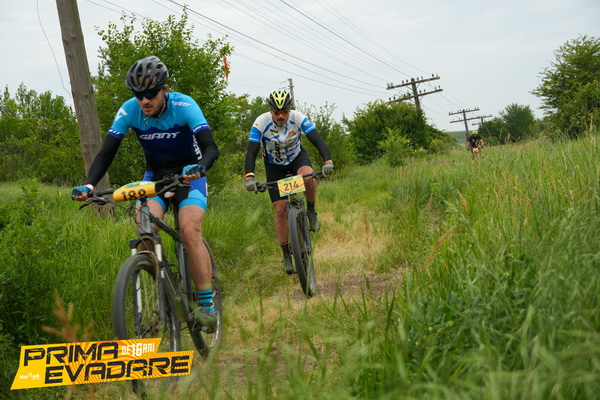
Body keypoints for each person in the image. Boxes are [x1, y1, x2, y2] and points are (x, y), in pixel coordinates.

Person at [72, 56, 219, 329]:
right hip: (156, 177)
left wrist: (200, 167)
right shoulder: (130, 110)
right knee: (144, 227)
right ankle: (161, 289)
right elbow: (106, 152)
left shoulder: (185, 105)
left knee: (189, 230)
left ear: (165, 89)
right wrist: (90, 185)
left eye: (151, 94)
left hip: (189, 175)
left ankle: (207, 304)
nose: (144, 101)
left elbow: (210, 147)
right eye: (138, 95)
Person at [244, 89, 334, 275]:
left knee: (308, 177)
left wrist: (328, 161)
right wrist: (249, 177)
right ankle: (286, 253)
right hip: (274, 166)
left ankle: (311, 211)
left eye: (284, 111)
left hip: (297, 159)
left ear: (290, 110)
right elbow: (251, 151)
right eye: (276, 112)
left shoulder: (298, 118)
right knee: (280, 210)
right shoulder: (260, 122)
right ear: (270, 111)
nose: (281, 116)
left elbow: (317, 140)